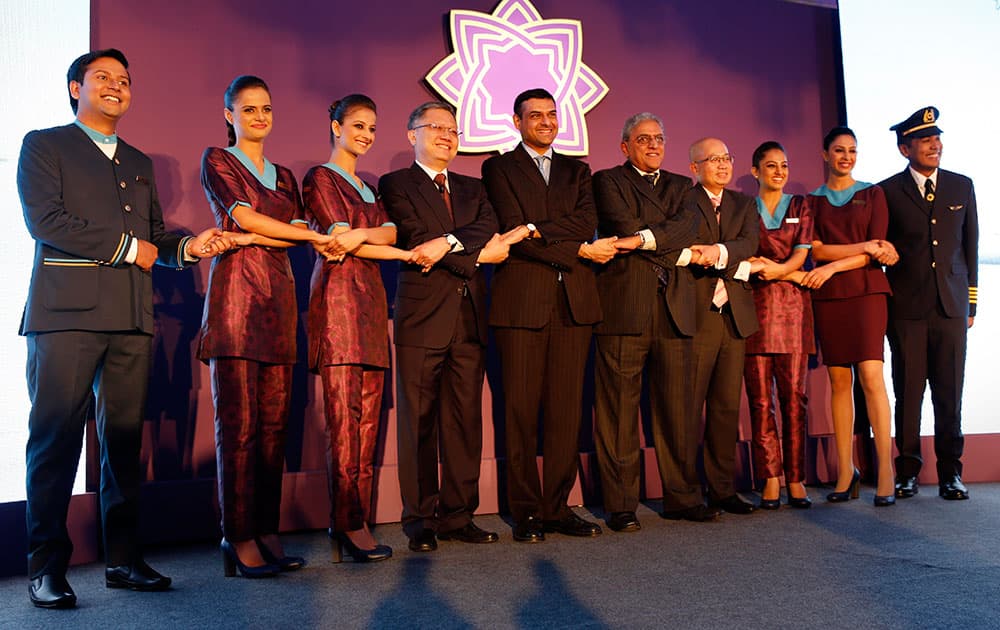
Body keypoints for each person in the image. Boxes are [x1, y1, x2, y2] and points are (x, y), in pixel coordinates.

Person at [17, 48, 232, 609]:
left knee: (121, 445)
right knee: (55, 443)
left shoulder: (138, 160)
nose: (116, 86)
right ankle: (46, 568)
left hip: (132, 319)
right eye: (103, 78)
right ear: (75, 88)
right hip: (65, 318)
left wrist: (186, 247)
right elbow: (46, 222)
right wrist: (131, 248)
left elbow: (156, 237)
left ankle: (123, 560)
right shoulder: (44, 144)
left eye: (125, 80)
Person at [199, 75, 328, 577]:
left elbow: (290, 230)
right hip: (235, 302)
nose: (258, 118)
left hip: (279, 301)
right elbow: (249, 220)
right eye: (248, 109)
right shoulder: (218, 159)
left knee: (275, 427)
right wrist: (293, 235)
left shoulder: (286, 176)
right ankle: (237, 535)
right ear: (229, 114)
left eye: (265, 109)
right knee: (239, 428)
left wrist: (294, 235)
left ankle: (267, 529)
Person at [482, 88, 617, 542]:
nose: (545, 121)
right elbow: (511, 227)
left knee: (566, 414)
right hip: (521, 303)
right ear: (517, 121)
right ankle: (527, 513)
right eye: (535, 115)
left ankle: (558, 507)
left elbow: (581, 222)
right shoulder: (497, 167)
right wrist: (572, 247)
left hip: (574, 306)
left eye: (551, 114)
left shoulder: (578, 171)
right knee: (520, 413)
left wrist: (538, 227)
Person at [379, 101, 513, 553]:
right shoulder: (395, 183)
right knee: (418, 422)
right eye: (434, 127)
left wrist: (451, 244)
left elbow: (489, 226)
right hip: (421, 317)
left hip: (470, 317)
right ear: (410, 134)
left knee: (463, 422)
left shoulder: (475, 187)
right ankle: (419, 517)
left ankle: (459, 515)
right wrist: (476, 254)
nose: (445, 135)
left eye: (452, 129)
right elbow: (416, 238)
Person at [302, 94, 413, 562]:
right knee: (345, 424)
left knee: (369, 422)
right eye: (358, 126)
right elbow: (342, 243)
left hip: (370, 306)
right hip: (339, 305)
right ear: (335, 126)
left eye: (372, 128)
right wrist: (381, 241)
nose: (366, 135)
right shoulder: (320, 179)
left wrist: (366, 234)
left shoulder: (370, 187)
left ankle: (357, 520)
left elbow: (386, 233)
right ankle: (348, 523)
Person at [591, 113, 699, 532]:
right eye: (643, 139)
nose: (653, 145)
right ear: (625, 146)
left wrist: (639, 242)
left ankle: (682, 496)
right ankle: (620, 503)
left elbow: (687, 227)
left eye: (659, 138)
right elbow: (621, 223)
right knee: (618, 411)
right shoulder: (607, 181)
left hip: (673, 307)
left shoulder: (681, 186)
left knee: (677, 409)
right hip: (624, 306)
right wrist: (660, 236)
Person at [879, 107, 978, 501]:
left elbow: (970, 247)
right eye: (924, 139)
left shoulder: (961, 185)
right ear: (905, 148)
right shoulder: (886, 191)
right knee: (908, 392)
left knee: (950, 392)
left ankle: (951, 472)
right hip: (906, 309)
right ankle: (907, 472)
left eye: (936, 137)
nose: (934, 144)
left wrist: (970, 304)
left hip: (951, 307)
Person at [801, 126, 898, 506]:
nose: (846, 156)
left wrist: (833, 266)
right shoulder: (811, 202)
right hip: (830, 297)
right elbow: (818, 251)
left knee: (872, 377)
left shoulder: (874, 194)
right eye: (839, 150)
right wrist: (854, 252)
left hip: (867, 292)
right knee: (840, 382)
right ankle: (846, 471)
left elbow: (872, 254)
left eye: (852, 151)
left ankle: (885, 471)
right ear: (825, 154)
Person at [677, 137, 760, 517]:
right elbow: (689, 246)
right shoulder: (684, 200)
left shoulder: (744, 204)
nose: (724, 165)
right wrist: (715, 252)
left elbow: (747, 244)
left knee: (726, 407)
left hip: (734, 315)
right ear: (695, 167)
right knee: (689, 408)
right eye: (714, 159)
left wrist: (718, 253)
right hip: (697, 312)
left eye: (727, 157)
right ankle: (687, 493)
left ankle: (723, 489)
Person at [744, 141, 815, 509]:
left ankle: (797, 479)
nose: (779, 171)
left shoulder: (800, 205)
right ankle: (770, 477)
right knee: (759, 401)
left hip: (793, 312)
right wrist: (768, 269)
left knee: (794, 400)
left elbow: (802, 253)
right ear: (755, 171)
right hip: (754, 313)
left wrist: (776, 269)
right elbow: (741, 252)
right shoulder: (743, 208)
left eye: (784, 165)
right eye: (770, 165)